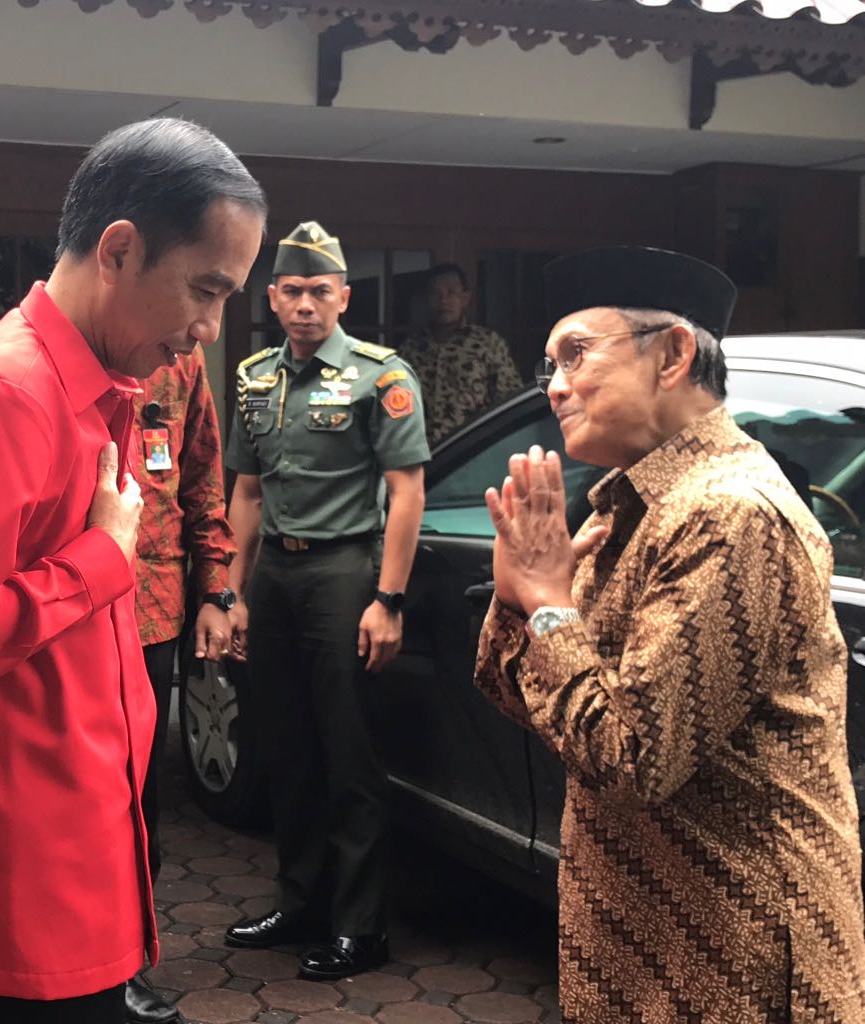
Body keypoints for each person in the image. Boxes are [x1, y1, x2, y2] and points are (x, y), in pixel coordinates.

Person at [0, 117, 265, 1024]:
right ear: (118, 249)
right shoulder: (4, 393)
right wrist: (97, 561)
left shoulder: (100, 384)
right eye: (205, 290)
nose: (207, 331)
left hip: (81, 836)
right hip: (18, 874)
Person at [474, 246, 865, 1023]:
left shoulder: (730, 512)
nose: (551, 384)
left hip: (733, 949)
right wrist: (519, 597)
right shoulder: (633, 503)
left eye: (575, 354)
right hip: (643, 929)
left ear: (673, 355)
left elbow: (625, 761)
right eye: (546, 361)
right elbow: (522, 698)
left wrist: (549, 606)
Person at [221, 221, 430, 980]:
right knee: (284, 747)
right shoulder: (253, 378)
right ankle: (301, 901)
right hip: (273, 575)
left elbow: (406, 493)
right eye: (292, 291)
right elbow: (246, 493)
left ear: (344, 296)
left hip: (344, 574)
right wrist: (231, 592)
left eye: (320, 291)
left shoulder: (383, 375)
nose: (305, 305)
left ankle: (360, 926)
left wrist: (389, 599)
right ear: (271, 297)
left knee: (349, 755)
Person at [126, 346, 237, 1023]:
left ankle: (128, 960)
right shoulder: (66, 353)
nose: (202, 323)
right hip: (71, 613)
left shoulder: (183, 362)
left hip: (152, 608)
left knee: (139, 799)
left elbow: (200, 479)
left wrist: (215, 592)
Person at [399, 262, 522, 447]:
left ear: (465, 298)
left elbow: (509, 401)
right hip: (420, 453)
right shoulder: (411, 348)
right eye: (435, 294)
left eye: (451, 292)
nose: (443, 301)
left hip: (471, 452)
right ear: (426, 299)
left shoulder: (488, 344)